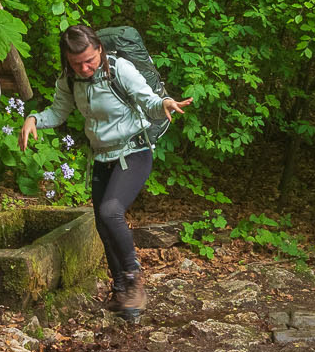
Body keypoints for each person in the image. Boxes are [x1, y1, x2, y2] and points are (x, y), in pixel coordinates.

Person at [20, 26, 192, 318]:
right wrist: (35, 118)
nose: (85, 68)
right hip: (102, 157)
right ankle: (122, 293)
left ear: (99, 48)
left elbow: (147, 99)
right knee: (102, 224)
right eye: (77, 64)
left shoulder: (119, 69)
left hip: (134, 151)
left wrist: (164, 103)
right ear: (67, 60)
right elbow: (58, 112)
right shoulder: (69, 79)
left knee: (111, 211)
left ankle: (134, 280)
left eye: (90, 60)